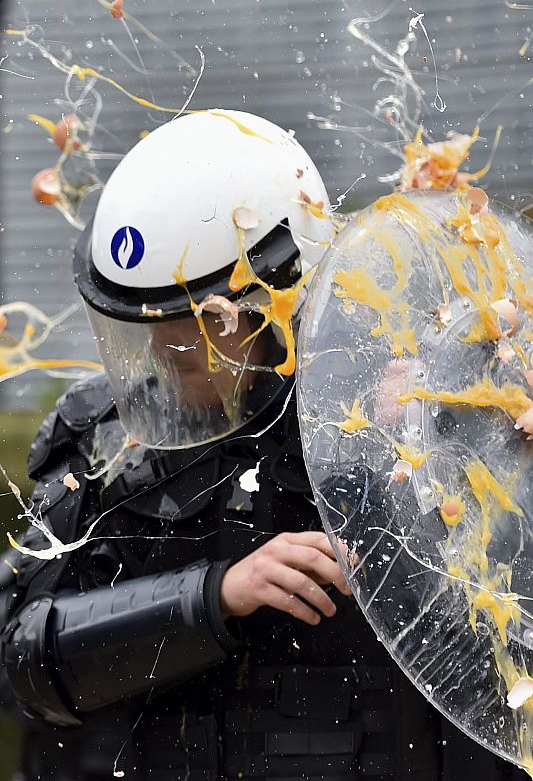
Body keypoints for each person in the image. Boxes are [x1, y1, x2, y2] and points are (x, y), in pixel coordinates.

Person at [0, 110, 525, 781]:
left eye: (196, 321)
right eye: (142, 324)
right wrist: (217, 595)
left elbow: (499, 635)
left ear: (278, 292)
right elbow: (23, 665)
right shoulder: (102, 445)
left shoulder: (409, 406)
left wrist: (466, 443)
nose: (165, 348)